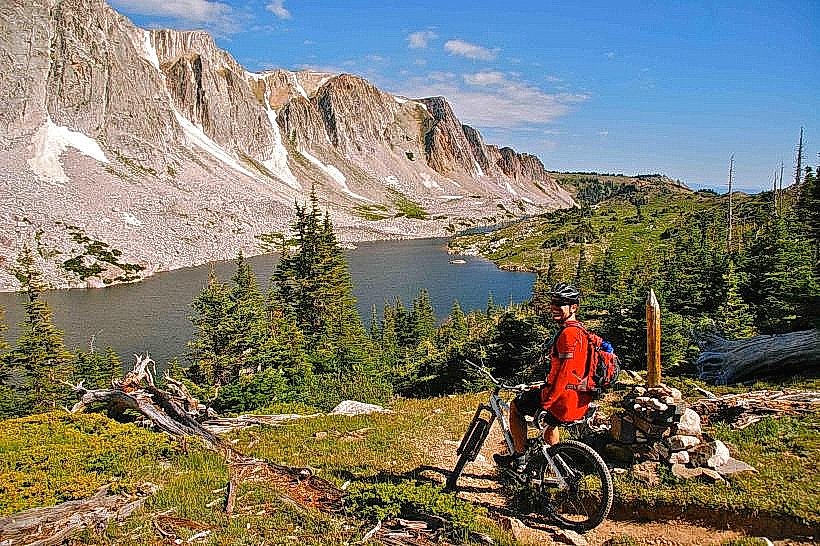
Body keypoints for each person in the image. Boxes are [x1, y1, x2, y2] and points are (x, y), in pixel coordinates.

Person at [493, 282, 595, 468]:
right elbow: (571, 371)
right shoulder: (582, 331)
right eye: (553, 302)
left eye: (560, 303)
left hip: (562, 398)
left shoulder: (568, 334)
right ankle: (555, 463)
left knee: (516, 407)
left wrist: (547, 403)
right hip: (578, 396)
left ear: (574, 307)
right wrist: (543, 386)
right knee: (550, 424)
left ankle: (519, 457)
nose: (554, 307)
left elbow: (564, 373)